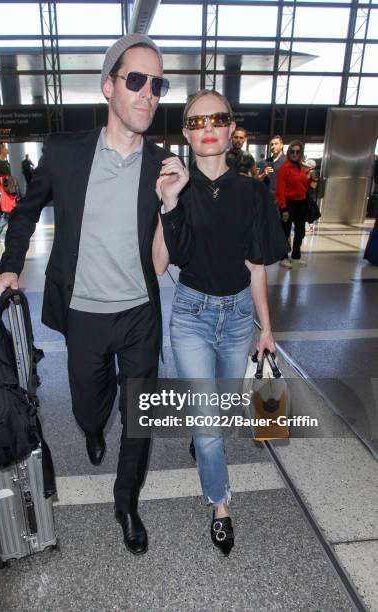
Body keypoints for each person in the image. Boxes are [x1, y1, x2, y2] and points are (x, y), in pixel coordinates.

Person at [0, 34, 171, 555]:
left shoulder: (162, 164)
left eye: (157, 84)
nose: (147, 93)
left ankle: (127, 503)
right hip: (84, 314)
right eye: (135, 80)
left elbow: (176, 243)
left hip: (140, 312)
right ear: (108, 87)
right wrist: (8, 268)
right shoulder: (66, 154)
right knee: (89, 407)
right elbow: (25, 213)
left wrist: (177, 203)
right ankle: (93, 429)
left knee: (140, 415)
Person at [152, 89, 287, 556]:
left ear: (231, 129)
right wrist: (167, 203)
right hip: (190, 314)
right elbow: (157, 265)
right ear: (187, 134)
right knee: (210, 425)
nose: (207, 126)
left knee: (223, 406)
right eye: (195, 121)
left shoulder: (252, 193)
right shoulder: (176, 186)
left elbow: (257, 268)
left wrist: (266, 331)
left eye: (218, 118)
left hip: (237, 318)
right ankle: (220, 504)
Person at [276, 141, 318, 268]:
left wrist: (311, 179)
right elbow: (280, 190)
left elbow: (304, 186)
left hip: (301, 203)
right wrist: (284, 209)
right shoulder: (284, 168)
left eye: (297, 152)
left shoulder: (301, 167)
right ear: (289, 153)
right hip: (288, 203)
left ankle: (295, 256)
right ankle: (283, 257)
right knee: (285, 232)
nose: (295, 154)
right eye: (292, 151)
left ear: (301, 153)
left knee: (300, 231)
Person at [264, 135, 286, 204]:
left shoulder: (287, 161)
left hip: (283, 200)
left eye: (276, 144)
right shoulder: (267, 161)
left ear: (281, 145)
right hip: (268, 198)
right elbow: (261, 179)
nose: (273, 146)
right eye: (271, 145)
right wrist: (264, 173)